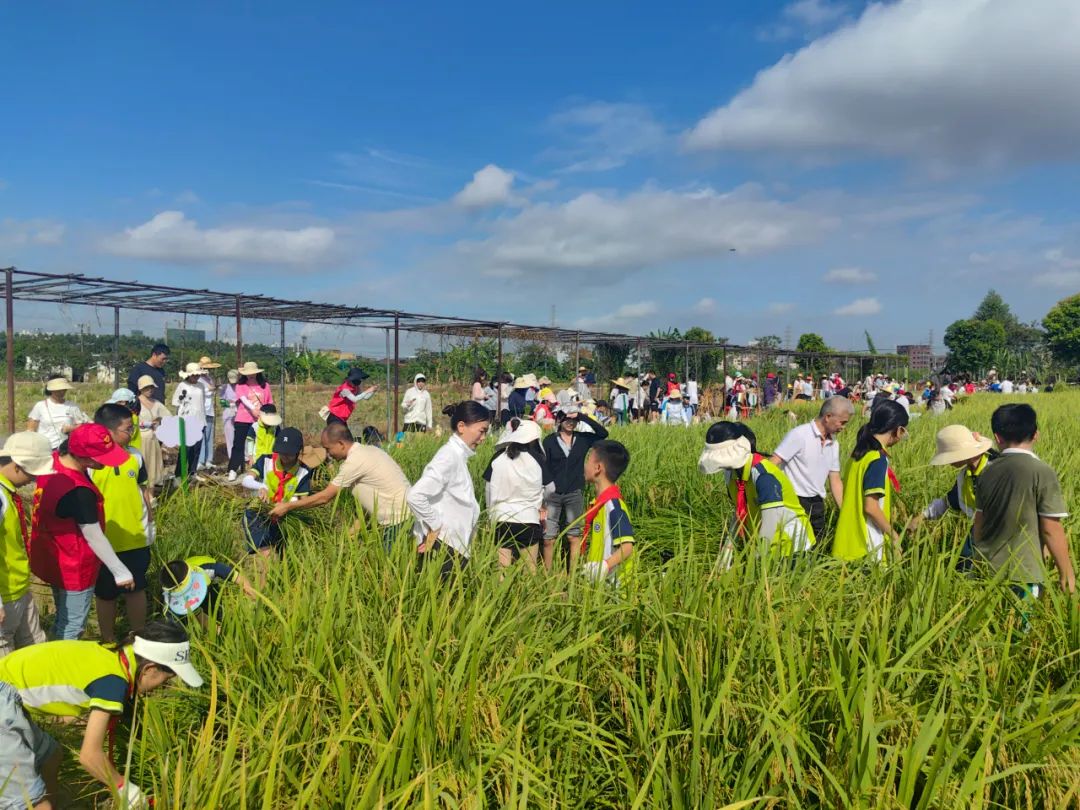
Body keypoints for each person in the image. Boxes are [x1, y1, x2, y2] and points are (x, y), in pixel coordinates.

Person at [0, 620, 203, 810]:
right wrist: (125, 788)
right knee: (33, 802)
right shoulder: (113, 681)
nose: (161, 689)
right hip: (3, 699)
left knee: (51, 756)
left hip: (7, 689)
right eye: (166, 680)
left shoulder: (116, 654)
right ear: (149, 669)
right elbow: (89, 756)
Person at [29, 424, 134, 640]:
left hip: (50, 555)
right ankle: (61, 668)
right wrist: (120, 571)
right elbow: (93, 535)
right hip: (74, 566)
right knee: (72, 626)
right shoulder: (79, 492)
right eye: (101, 458)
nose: (105, 463)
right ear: (84, 457)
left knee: (63, 615)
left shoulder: (53, 461)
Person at [972, 404, 1075, 598]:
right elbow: (1050, 529)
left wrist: (980, 557)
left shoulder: (986, 472)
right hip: (1024, 574)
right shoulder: (1041, 472)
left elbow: (979, 522)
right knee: (1021, 627)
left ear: (997, 437)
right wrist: (1066, 573)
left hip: (986, 569)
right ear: (1036, 434)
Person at [268, 421, 411, 550]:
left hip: (397, 521)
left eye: (328, 449)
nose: (328, 454)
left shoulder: (354, 462)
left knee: (393, 570)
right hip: (405, 516)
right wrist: (351, 533)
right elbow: (372, 501)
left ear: (341, 444)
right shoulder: (370, 451)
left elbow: (325, 497)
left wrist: (287, 506)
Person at [699, 422, 815, 565]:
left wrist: (757, 559)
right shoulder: (731, 474)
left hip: (792, 546)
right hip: (763, 542)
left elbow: (770, 523)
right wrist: (726, 554)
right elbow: (739, 512)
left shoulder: (764, 477)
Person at [90, 405, 154, 645]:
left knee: (136, 588)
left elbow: (144, 490)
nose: (133, 431)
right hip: (103, 540)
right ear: (107, 431)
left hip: (135, 536)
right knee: (106, 593)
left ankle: (138, 636)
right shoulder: (91, 461)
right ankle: (108, 639)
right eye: (128, 428)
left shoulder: (135, 455)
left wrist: (150, 520)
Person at [407, 401, 491, 579]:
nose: (483, 438)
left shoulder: (458, 456)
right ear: (462, 426)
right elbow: (416, 495)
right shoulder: (448, 456)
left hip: (452, 546)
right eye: (481, 431)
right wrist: (435, 525)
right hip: (444, 546)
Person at [907, 424, 996, 570]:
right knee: (964, 565)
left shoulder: (996, 470)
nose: (948, 461)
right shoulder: (965, 476)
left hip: (1002, 532)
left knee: (967, 565)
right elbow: (949, 501)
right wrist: (921, 517)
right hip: (979, 530)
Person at [769, 397, 854, 549]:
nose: (843, 427)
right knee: (796, 544)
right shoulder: (799, 435)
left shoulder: (834, 443)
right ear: (828, 417)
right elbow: (773, 463)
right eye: (842, 422)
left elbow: (835, 479)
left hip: (817, 502)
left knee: (817, 545)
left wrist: (844, 510)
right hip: (794, 501)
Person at [832, 400, 909, 563]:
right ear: (898, 430)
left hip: (847, 541)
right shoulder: (877, 460)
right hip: (867, 546)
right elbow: (871, 507)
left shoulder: (857, 456)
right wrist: (894, 536)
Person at [0, 433, 54, 658]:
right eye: (32, 473)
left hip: (19, 586)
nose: (33, 479)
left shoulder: (8, 493)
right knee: (5, 651)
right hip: (5, 593)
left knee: (35, 644)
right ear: (17, 466)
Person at [541, 406, 609, 571]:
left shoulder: (583, 439)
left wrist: (582, 416)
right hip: (552, 494)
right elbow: (543, 467)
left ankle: (572, 576)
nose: (570, 423)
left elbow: (603, 434)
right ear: (559, 420)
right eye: (567, 419)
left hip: (574, 492)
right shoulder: (549, 441)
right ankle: (547, 576)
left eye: (574, 420)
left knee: (573, 535)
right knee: (548, 538)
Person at [241, 427, 311, 572]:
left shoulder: (303, 471)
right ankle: (261, 591)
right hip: (259, 513)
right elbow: (246, 480)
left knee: (285, 555)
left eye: (289, 453)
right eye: (281, 452)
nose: (284, 456)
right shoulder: (265, 460)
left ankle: (281, 586)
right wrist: (261, 486)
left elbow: (304, 499)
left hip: (285, 516)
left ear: (298, 451)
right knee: (265, 555)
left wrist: (289, 504)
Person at [483, 418, 550, 571]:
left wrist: (490, 513)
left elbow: (488, 487)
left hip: (502, 517)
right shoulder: (537, 458)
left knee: (502, 568)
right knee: (530, 569)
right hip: (529, 517)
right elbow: (551, 488)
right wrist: (541, 504)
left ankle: (501, 594)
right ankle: (528, 595)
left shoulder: (498, 457)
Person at [580, 440, 635, 585]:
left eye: (588, 460)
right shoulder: (599, 504)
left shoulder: (613, 505)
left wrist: (604, 566)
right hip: (600, 584)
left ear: (598, 468)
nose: (584, 465)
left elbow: (627, 547)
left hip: (616, 588)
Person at [160, 556, 257, 626]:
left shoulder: (207, 568)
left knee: (216, 611)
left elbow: (237, 577)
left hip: (210, 590)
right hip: (184, 609)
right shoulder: (171, 604)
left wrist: (253, 597)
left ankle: (219, 620)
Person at [229, 361, 274, 482]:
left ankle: (259, 468)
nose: (251, 375)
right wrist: (253, 409)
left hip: (261, 420)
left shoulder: (265, 386)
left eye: (253, 373)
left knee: (261, 444)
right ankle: (233, 469)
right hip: (243, 419)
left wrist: (268, 414)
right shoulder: (241, 386)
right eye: (248, 373)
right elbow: (243, 399)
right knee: (238, 444)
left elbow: (269, 402)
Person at [26, 377, 88, 450]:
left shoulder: (73, 406)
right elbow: (31, 428)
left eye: (64, 389)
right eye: (59, 390)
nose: (62, 392)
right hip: (44, 448)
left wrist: (72, 428)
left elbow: (83, 426)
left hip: (66, 448)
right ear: (51, 390)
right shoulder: (40, 406)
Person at [172, 362, 206, 477]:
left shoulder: (201, 386)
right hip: (186, 421)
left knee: (196, 449)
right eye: (194, 375)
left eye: (198, 375)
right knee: (185, 449)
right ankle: (179, 474)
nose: (196, 377)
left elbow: (202, 402)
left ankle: (192, 472)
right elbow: (175, 402)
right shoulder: (183, 385)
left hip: (200, 420)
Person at [135, 375, 170, 488]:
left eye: (151, 387)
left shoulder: (157, 404)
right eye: (146, 387)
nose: (149, 390)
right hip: (139, 439)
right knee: (141, 466)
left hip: (153, 439)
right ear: (141, 388)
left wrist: (160, 421)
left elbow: (169, 417)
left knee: (152, 467)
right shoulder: (135, 402)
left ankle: (151, 495)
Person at [196, 356, 221, 470]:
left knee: (209, 436)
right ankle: (200, 461)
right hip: (201, 411)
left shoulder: (209, 379)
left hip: (209, 410)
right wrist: (210, 389)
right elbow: (199, 392)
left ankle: (208, 459)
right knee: (200, 436)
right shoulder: (197, 379)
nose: (206, 370)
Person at [219, 369, 239, 467]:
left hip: (240, 413)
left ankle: (244, 457)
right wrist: (230, 403)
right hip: (228, 413)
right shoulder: (225, 388)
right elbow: (222, 402)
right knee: (230, 436)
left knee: (240, 436)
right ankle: (232, 458)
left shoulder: (241, 387)